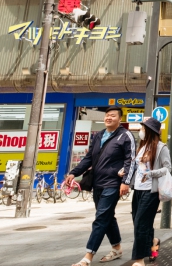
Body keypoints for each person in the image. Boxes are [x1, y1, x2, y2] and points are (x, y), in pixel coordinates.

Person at [67, 107, 135, 266]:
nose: (109, 118)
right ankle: (117, 248)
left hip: (113, 184)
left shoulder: (126, 136)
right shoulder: (99, 135)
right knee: (107, 217)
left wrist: (126, 182)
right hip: (97, 183)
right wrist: (73, 172)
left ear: (120, 119)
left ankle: (88, 256)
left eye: (113, 116)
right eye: (107, 115)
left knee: (100, 218)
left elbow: (130, 161)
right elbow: (89, 158)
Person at [127, 118, 170, 266]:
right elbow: (137, 168)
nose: (141, 131)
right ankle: (153, 241)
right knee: (139, 223)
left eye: (144, 129)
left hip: (151, 191)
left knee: (140, 224)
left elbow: (167, 168)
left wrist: (151, 173)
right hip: (138, 189)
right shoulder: (142, 147)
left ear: (150, 131)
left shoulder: (161, 148)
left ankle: (139, 260)